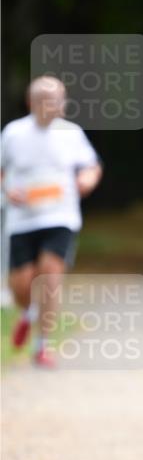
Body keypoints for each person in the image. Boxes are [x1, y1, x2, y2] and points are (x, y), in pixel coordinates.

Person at [1, 76, 102, 367]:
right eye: (49, 99)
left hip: (61, 216)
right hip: (22, 219)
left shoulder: (71, 133)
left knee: (50, 275)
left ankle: (42, 344)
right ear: (32, 103)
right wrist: (8, 190)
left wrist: (87, 179)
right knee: (21, 284)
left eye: (60, 98)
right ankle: (26, 313)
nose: (57, 105)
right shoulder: (13, 133)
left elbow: (92, 166)